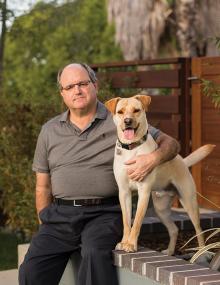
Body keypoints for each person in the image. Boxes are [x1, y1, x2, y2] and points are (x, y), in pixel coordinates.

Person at [19, 63, 180, 285]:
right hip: (59, 216)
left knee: (95, 255)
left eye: (83, 84)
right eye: (70, 86)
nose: (77, 90)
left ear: (95, 85)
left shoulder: (120, 117)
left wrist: (152, 159)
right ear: (62, 94)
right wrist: (44, 223)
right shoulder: (49, 130)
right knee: (31, 271)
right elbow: (42, 186)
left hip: (103, 213)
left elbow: (171, 144)